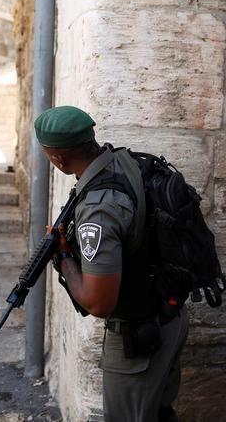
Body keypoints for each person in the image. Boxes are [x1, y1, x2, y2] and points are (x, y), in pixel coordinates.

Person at [34, 105, 189, 422]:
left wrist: (63, 257)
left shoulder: (99, 209)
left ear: (58, 160)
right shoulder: (121, 162)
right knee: (158, 413)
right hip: (167, 314)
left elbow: (99, 301)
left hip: (139, 338)